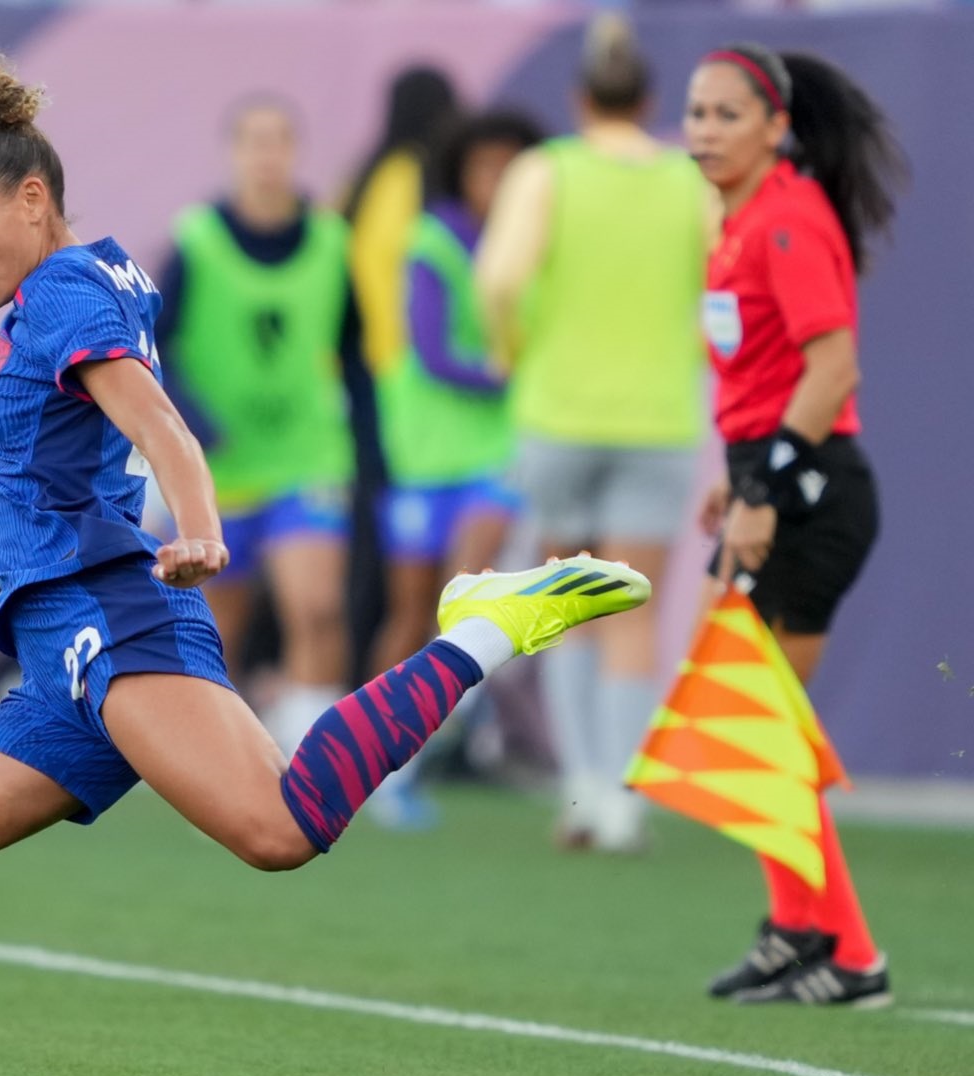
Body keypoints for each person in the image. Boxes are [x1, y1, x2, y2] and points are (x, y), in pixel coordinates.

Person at [0, 53, 652, 1076]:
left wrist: (197, 526)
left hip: (109, 619)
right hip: (60, 661)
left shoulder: (58, 296)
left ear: (31, 197)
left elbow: (158, 422)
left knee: (280, 827)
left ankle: (478, 631)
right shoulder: (90, 276)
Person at [686, 43, 902, 1007]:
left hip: (812, 495)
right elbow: (760, 376)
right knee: (755, 721)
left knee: (753, 720)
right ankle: (815, 938)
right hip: (777, 484)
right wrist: (735, 485)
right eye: (695, 113)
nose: (704, 131)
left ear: (778, 126)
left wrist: (764, 489)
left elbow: (833, 369)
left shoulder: (783, 220)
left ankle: (836, 948)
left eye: (727, 114)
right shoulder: (739, 220)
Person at [475, 15, 708, 853]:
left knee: (568, 599)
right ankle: (618, 800)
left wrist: (514, 351)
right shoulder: (690, 178)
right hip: (657, 418)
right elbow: (724, 295)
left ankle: (579, 782)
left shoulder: (548, 172)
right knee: (635, 613)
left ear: (580, 100)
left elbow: (499, 278)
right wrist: (683, 355)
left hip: (559, 413)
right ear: (649, 100)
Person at [155, 97, 370, 755]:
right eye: (254, 140)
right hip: (217, 472)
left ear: (296, 151)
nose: (267, 154)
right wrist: (193, 421)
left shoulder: (333, 241)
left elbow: (355, 355)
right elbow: (152, 350)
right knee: (220, 625)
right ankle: (223, 764)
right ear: (233, 152)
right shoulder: (196, 241)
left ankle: (309, 759)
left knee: (317, 608)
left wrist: (372, 450)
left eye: (279, 140)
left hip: (307, 458)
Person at [366, 110, 544, 826]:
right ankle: (378, 760)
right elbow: (435, 353)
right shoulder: (434, 240)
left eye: (510, 168)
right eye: (485, 167)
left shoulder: (535, 242)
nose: (497, 182)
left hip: (494, 456)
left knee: (465, 599)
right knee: (410, 611)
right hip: (422, 454)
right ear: (463, 171)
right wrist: (517, 380)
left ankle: (438, 737)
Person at [344, 65, 460, 379]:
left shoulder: (362, 178)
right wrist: (396, 355)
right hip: (401, 362)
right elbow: (380, 263)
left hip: (373, 356)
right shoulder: (405, 176)